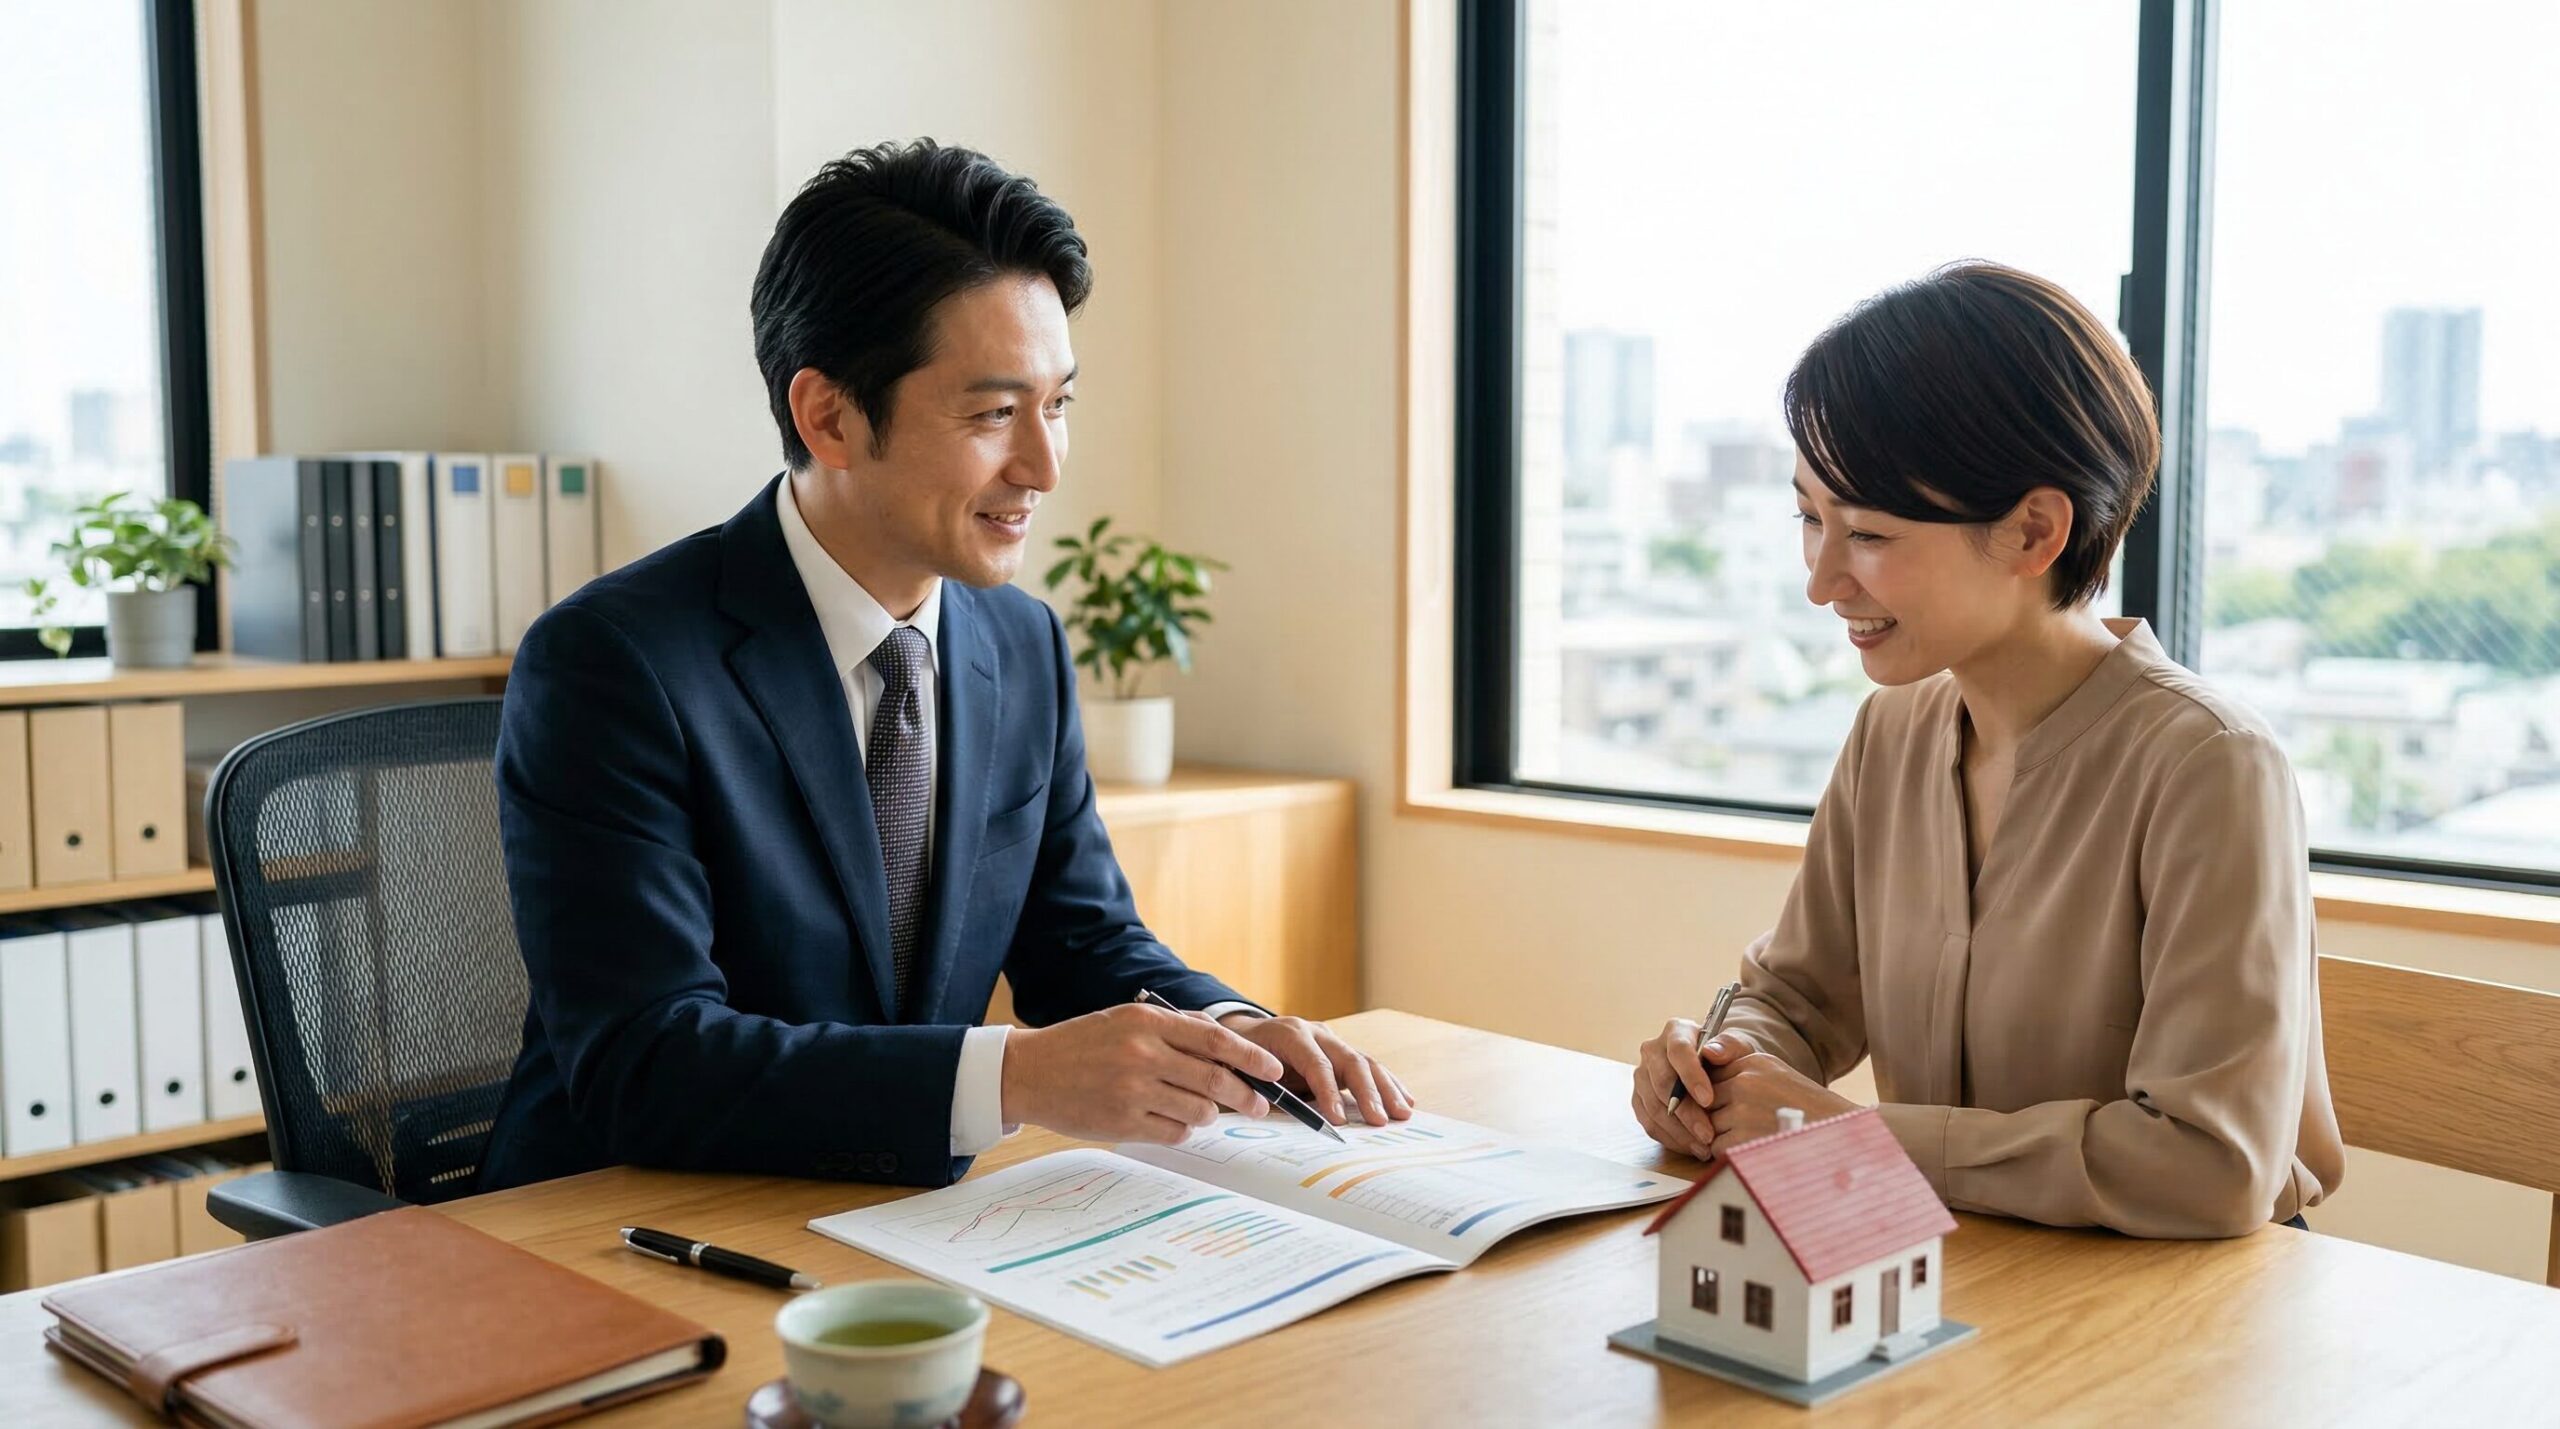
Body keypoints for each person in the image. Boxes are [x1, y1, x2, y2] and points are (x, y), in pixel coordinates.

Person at [479, 139, 1410, 1192]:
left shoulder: (1020, 645)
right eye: (992, 413)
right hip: (624, 1225)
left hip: (903, 1222)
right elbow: (643, 1060)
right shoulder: (613, 663)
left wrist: (1230, 1029)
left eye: (1057, 404)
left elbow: (1084, 941)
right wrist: (1010, 1078)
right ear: (827, 415)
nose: (1044, 466)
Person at [1631, 261, 2343, 1237]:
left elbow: (2209, 1165)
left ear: (2033, 530)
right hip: (1961, 1273)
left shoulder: (2209, 765)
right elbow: (1798, 996)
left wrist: (1858, 1136)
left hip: (2180, 1317)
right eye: (1809, 517)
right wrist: (1715, 1064)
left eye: (1869, 532)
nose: (1823, 579)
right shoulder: (1892, 728)